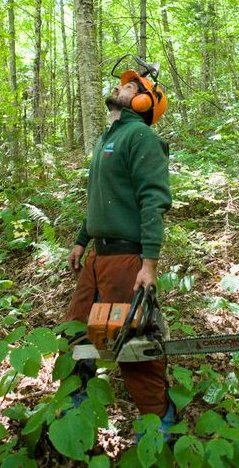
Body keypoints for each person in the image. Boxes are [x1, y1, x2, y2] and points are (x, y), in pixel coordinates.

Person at [65, 56, 175, 433]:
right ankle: (77, 401)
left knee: (133, 345)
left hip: (128, 259)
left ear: (145, 102)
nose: (121, 87)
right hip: (98, 258)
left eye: (131, 87)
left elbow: (152, 200)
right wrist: (82, 241)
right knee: (78, 332)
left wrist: (149, 264)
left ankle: (158, 418)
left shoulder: (141, 137)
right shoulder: (106, 138)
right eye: (123, 84)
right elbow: (100, 196)